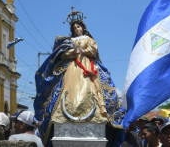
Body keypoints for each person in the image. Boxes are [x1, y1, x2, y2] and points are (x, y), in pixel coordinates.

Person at [34, 8, 124, 147]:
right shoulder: (69, 41)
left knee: (94, 88)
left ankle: (99, 111)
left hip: (88, 66)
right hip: (73, 67)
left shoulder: (89, 39)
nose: (77, 29)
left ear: (83, 27)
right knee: (67, 88)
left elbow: (93, 50)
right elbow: (61, 55)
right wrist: (72, 52)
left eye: (78, 26)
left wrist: (82, 50)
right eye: (74, 27)